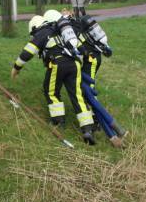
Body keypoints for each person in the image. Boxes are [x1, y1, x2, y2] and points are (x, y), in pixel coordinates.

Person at [11, 9, 96, 145]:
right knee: (77, 95)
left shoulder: (41, 33)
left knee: (50, 91)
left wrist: (16, 68)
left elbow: (27, 53)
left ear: (35, 28)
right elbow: (79, 46)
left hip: (58, 64)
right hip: (74, 64)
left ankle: (58, 121)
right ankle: (88, 129)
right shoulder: (61, 31)